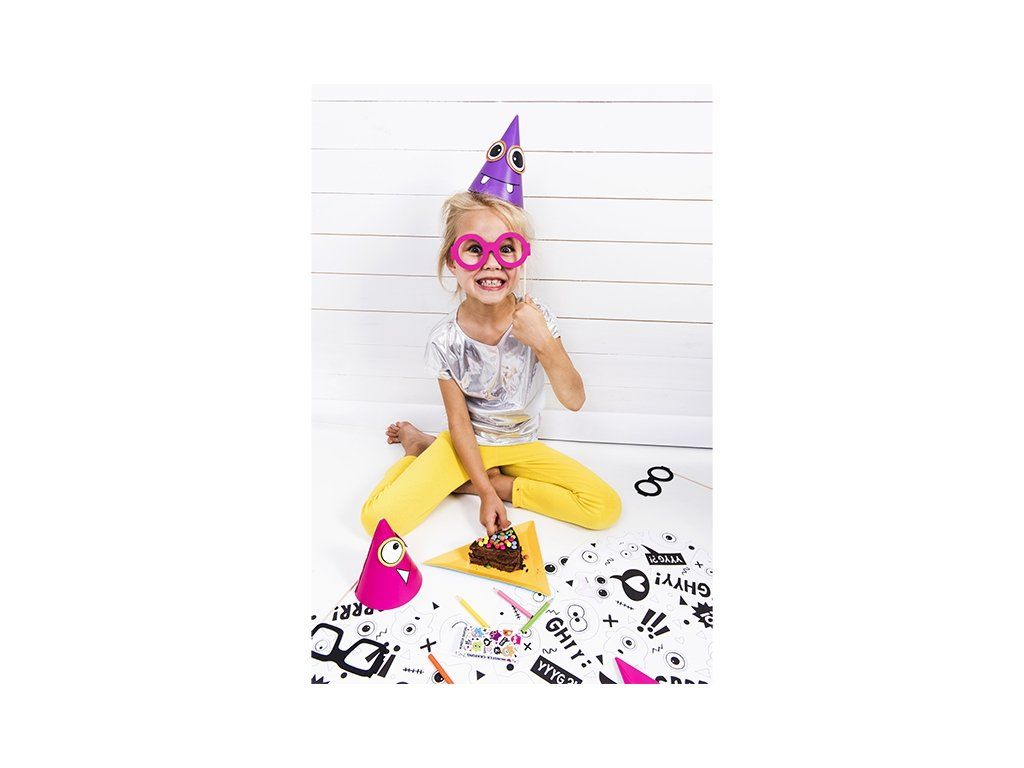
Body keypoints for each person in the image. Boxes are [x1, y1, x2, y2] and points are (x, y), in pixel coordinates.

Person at [359, 117, 621, 538]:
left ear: (521, 257)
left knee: (603, 507)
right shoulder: (445, 341)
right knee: (377, 520)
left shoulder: (537, 319)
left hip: (520, 447)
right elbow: (461, 423)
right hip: (465, 445)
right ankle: (419, 450)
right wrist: (484, 492)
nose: (492, 263)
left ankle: (440, 456)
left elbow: (574, 400)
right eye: (474, 249)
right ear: (452, 260)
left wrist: (544, 342)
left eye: (507, 249)